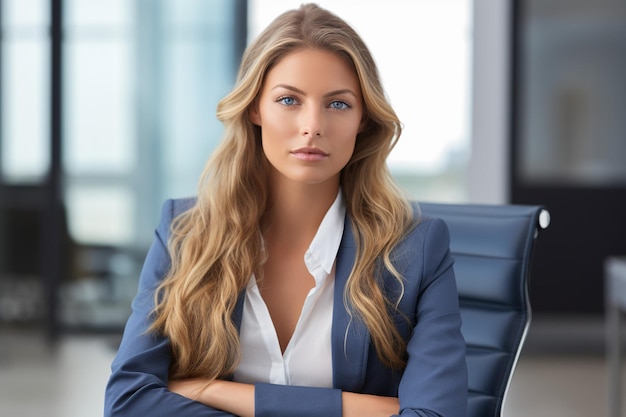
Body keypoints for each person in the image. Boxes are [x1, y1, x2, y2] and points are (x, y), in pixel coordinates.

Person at [104, 3, 467, 416]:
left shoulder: (416, 251)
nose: (312, 125)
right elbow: (128, 401)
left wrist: (215, 392)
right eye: (289, 99)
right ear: (255, 107)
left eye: (338, 104)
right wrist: (363, 409)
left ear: (363, 119)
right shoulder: (185, 233)